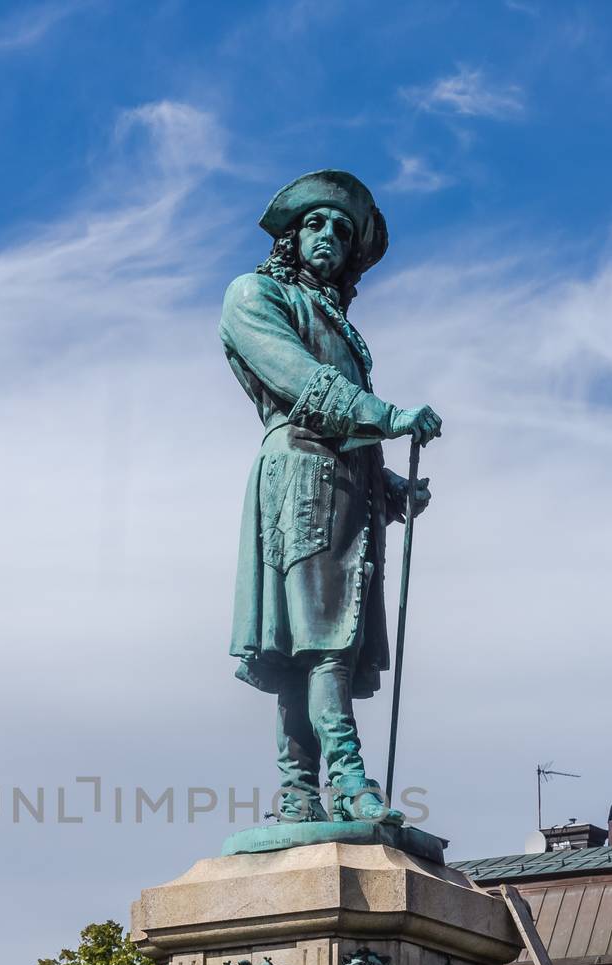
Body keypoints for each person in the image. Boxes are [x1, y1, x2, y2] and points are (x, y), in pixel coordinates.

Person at [220, 170, 441, 823]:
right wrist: (388, 414)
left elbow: (347, 426)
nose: (328, 237)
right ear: (290, 236)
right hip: (300, 480)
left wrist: (395, 489)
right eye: (315, 224)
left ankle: (297, 796)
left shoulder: (337, 321)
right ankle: (347, 780)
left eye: (341, 232)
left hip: (347, 489)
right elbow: (301, 382)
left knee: (312, 647)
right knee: (320, 643)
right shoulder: (253, 294)